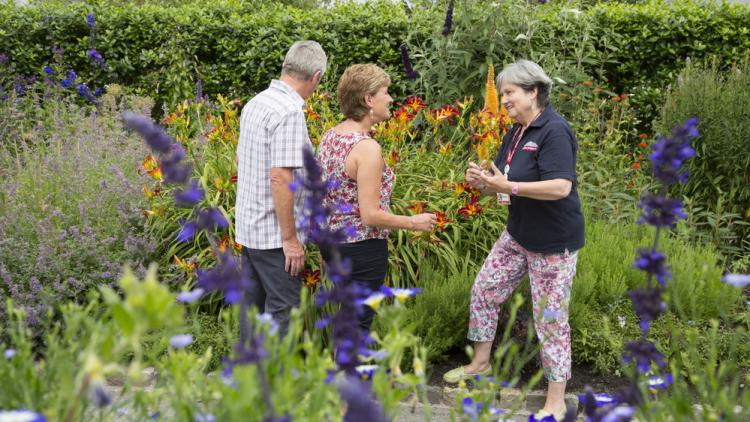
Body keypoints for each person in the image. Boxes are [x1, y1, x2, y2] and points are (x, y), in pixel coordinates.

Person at [443, 60, 585, 421]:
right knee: (485, 290)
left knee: (550, 319)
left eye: (510, 93)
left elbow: (560, 187)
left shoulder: (554, 131)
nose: (503, 99)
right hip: (518, 234)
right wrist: (486, 183)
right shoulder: (517, 130)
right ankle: (480, 363)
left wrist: (508, 186)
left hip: (553, 244)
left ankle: (555, 400)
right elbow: (505, 181)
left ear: (533, 91)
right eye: (502, 92)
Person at [316, 64, 436, 330]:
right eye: (385, 92)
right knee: (358, 327)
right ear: (368, 99)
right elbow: (370, 215)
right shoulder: (366, 148)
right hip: (361, 249)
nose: (391, 98)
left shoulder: (331, 136)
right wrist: (415, 222)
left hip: (333, 244)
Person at [235, 40, 327, 337]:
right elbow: (280, 177)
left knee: (253, 313)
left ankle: (246, 380)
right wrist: (290, 240)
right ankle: (273, 382)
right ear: (315, 77)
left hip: (250, 231)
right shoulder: (288, 112)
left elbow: (241, 160)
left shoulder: (256, 103)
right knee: (283, 313)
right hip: (275, 239)